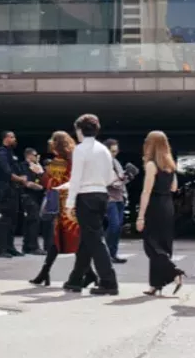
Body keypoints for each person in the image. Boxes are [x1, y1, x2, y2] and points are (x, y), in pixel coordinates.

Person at [61, 114, 120, 295]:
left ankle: (109, 281)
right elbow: (111, 177)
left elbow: (76, 178)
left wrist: (69, 203)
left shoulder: (80, 149)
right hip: (102, 194)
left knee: (94, 240)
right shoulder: (103, 149)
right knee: (89, 238)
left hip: (85, 196)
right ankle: (76, 279)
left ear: (79, 130)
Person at [29, 132, 81, 287]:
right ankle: (44, 274)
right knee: (67, 240)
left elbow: (50, 184)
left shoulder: (58, 162)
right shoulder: (73, 159)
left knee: (60, 240)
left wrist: (40, 172)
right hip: (72, 205)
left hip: (61, 205)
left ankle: (45, 274)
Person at [135, 131, 183, 296]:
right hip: (168, 205)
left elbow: (146, 192)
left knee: (151, 245)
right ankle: (156, 284)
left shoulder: (151, 165)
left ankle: (174, 271)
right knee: (162, 245)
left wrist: (140, 216)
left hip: (154, 206)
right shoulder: (170, 165)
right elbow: (174, 188)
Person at [0, 131, 26, 258]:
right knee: (5, 219)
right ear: (5, 138)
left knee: (13, 219)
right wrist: (19, 179)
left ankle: (10, 246)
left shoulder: (11, 153)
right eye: (12, 137)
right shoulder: (1, 153)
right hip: (5, 189)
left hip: (14, 189)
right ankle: (2, 249)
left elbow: (16, 169)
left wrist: (21, 177)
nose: (14, 139)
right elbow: (6, 171)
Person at [104, 139, 130, 264]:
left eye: (116, 151)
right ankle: (106, 253)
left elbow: (119, 181)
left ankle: (112, 254)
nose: (115, 153)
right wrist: (119, 180)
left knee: (118, 227)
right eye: (112, 151)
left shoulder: (116, 162)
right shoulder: (102, 163)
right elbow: (106, 181)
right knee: (114, 225)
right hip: (109, 197)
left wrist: (125, 178)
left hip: (120, 196)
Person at [20, 146, 46, 255]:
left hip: (35, 197)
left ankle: (27, 246)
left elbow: (43, 179)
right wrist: (40, 187)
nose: (37, 157)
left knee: (33, 221)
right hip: (27, 196)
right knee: (33, 221)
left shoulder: (35, 167)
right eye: (35, 155)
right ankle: (32, 246)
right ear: (29, 155)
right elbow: (27, 183)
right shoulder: (23, 166)